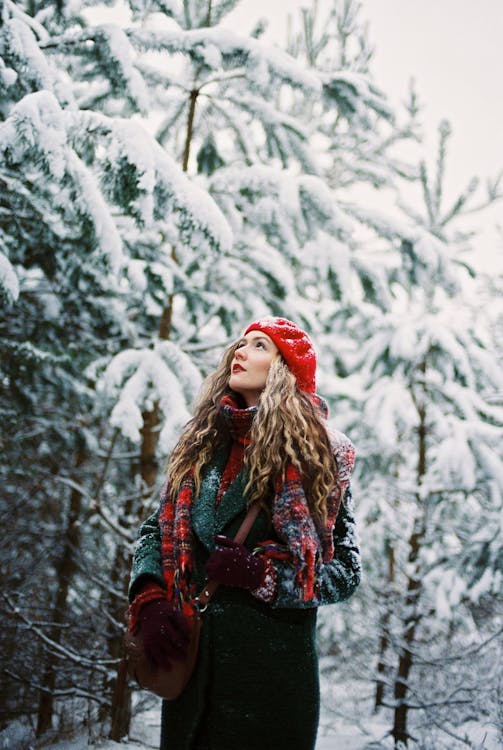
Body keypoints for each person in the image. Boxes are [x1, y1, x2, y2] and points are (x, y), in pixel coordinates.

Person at [128, 317, 361, 750]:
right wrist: (150, 598)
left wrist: (262, 577)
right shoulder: (201, 443)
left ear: (284, 370)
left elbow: (344, 573)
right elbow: (153, 532)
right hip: (191, 674)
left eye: (259, 346)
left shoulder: (320, 455)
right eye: (242, 343)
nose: (241, 350)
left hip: (269, 687)